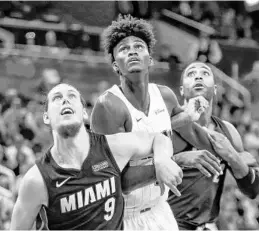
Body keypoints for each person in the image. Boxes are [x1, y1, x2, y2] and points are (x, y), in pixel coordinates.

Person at [90, 15, 214, 230]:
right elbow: (114, 183)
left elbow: (162, 125)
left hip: (160, 210)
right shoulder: (108, 106)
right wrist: (177, 160)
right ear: (115, 65)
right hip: (123, 218)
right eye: (123, 49)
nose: (132, 51)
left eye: (139, 46)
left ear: (150, 59)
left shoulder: (165, 96)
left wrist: (188, 114)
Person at [10, 83, 183, 230]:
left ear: (84, 113)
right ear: (46, 117)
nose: (65, 100)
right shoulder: (36, 180)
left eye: (72, 96)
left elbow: (158, 139)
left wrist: (162, 160)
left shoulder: (112, 147)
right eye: (56, 98)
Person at [122, 62, 259, 230]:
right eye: (191, 73)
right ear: (181, 90)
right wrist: (177, 160)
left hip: (206, 225)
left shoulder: (227, 132)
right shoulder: (164, 128)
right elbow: (128, 180)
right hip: (166, 225)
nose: (198, 76)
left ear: (215, 89)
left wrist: (232, 155)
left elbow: (253, 189)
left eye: (205, 73)